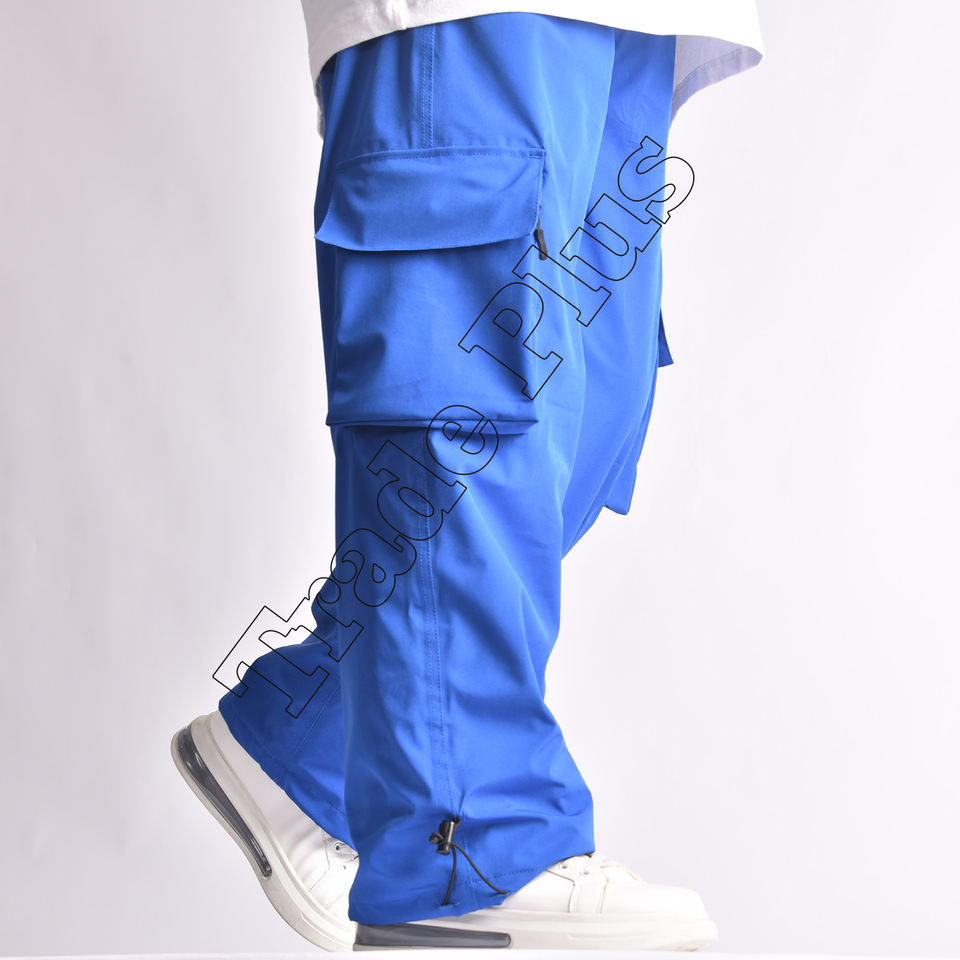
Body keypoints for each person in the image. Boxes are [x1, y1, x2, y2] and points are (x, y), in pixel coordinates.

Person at [171, 0, 764, 950]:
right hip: (468, 15)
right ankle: (467, 841)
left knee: (585, 421)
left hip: (638, 25)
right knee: (472, 398)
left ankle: (303, 751)